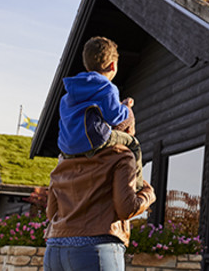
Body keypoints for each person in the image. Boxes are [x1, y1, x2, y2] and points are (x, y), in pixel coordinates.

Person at [44, 143, 156, 270]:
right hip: (95, 247)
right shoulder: (121, 155)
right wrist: (148, 194)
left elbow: (51, 212)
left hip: (55, 249)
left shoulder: (65, 157)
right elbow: (126, 209)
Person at [57, 36, 143, 190]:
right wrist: (125, 107)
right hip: (93, 141)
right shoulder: (107, 88)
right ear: (112, 66)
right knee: (132, 143)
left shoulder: (69, 92)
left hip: (67, 149)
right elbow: (115, 116)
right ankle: (137, 188)